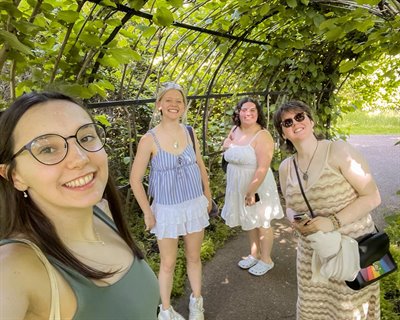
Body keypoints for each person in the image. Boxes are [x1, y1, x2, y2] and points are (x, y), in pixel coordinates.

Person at [0, 92, 160, 320]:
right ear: (14, 175)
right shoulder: (14, 268)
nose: (80, 158)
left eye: (85, 138)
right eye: (47, 149)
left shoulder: (102, 213)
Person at [273, 100, 381, 319]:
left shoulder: (338, 150)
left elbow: (372, 196)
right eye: (287, 122)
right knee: (314, 311)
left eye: (300, 116)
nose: (295, 123)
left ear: (311, 121)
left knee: (350, 310)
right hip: (312, 256)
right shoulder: (286, 168)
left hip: (354, 251)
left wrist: (332, 222)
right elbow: (290, 206)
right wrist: (295, 220)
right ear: (283, 134)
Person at [130, 82, 211, 320]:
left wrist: (208, 194)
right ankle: (165, 311)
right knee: (167, 263)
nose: (174, 105)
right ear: (159, 106)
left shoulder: (189, 132)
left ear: (184, 106)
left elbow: (200, 164)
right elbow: (135, 180)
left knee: (194, 257)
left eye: (179, 101)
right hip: (167, 209)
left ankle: (197, 302)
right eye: (169, 100)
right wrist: (147, 212)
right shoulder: (149, 139)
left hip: (194, 204)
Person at [221, 97, 284, 276]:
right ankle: (254, 255)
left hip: (257, 185)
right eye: (244, 110)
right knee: (249, 220)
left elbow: (263, 167)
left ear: (258, 113)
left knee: (262, 222)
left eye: (252, 110)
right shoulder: (234, 130)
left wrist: (251, 191)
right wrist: (227, 145)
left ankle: (266, 259)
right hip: (238, 184)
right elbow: (229, 150)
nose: (248, 113)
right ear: (238, 112)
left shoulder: (263, 135)